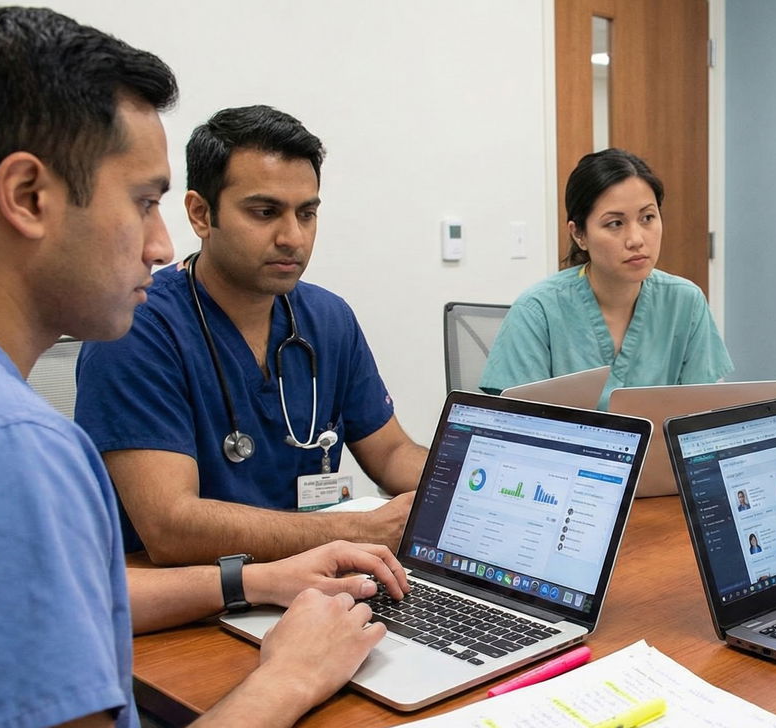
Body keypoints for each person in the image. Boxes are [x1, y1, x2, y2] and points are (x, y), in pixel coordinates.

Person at [0, 9, 403, 728]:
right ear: (27, 197)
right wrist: (289, 676)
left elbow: (36, 610)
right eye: (145, 202)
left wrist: (255, 576)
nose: (162, 246)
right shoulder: (2, 450)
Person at [75, 105, 428, 565]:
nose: (293, 237)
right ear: (201, 214)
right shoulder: (137, 328)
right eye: (265, 212)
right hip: (192, 606)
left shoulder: (328, 319)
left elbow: (392, 452)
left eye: (307, 214)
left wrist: (462, 488)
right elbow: (170, 527)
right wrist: (357, 530)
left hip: (314, 583)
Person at [479, 148, 733, 410]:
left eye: (647, 218)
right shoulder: (538, 310)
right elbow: (514, 425)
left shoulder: (684, 301)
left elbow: (703, 413)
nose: (636, 239)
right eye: (615, 223)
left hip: (661, 452)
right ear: (579, 234)